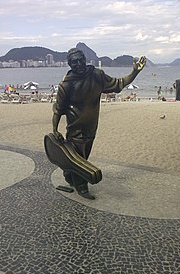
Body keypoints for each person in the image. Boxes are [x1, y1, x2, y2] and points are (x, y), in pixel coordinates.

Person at [52, 48, 146, 199]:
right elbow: (58, 110)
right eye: (74, 62)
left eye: (80, 60)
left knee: (82, 157)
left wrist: (135, 72)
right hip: (75, 128)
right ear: (69, 64)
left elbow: (119, 84)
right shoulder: (66, 85)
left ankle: (69, 175)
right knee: (80, 160)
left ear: (85, 59)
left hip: (91, 127)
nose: (79, 64)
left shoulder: (97, 75)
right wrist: (55, 129)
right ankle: (81, 186)